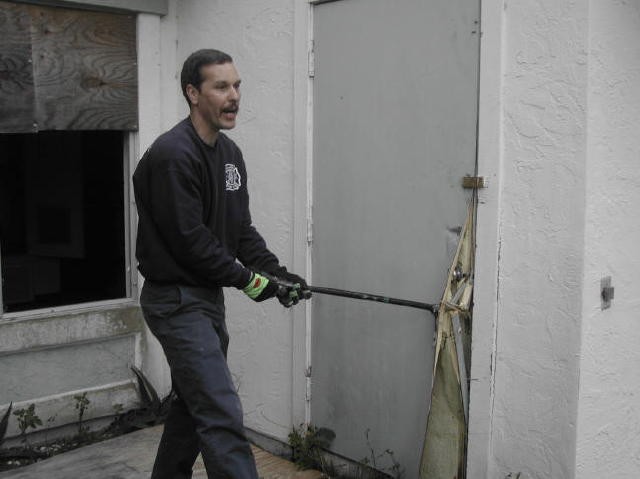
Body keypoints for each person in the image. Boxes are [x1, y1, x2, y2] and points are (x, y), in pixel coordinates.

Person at [132, 49, 310, 479]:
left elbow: (239, 231)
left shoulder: (229, 154)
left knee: (194, 408)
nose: (234, 97)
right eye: (221, 86)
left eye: (237, 86)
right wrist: (251, 282)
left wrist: (277, 274)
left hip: (204, 299)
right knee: (219, 410)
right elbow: (192, 242)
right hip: (175, 302)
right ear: (193, 93)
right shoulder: (174, 155)